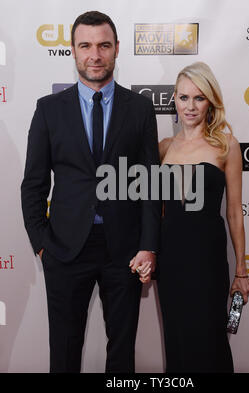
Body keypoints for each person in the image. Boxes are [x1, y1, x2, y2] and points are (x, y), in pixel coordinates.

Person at [21, 11, 160, 373]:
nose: (94, 55)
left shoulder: (141, 109)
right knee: (64, 352)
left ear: (116, 50)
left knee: (122, 354)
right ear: (73, 50)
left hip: (125, 249)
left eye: (103, 45)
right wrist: (42, 244)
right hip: (65, 248)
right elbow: (33, 184)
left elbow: (149, 183)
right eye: (86, 45)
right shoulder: (49, 110)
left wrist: (148, 244)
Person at [152, 61, 249, 373]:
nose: (190, 106)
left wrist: (241, 270)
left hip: (207, 260)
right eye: (183, 98)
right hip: (171, 260)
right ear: (175, 101)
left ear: (210, 101)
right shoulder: (164, 148)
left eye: (199, 98)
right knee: (177, 338)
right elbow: (156, 211)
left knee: (209, 339)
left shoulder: (226, 146)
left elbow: (235, 213)